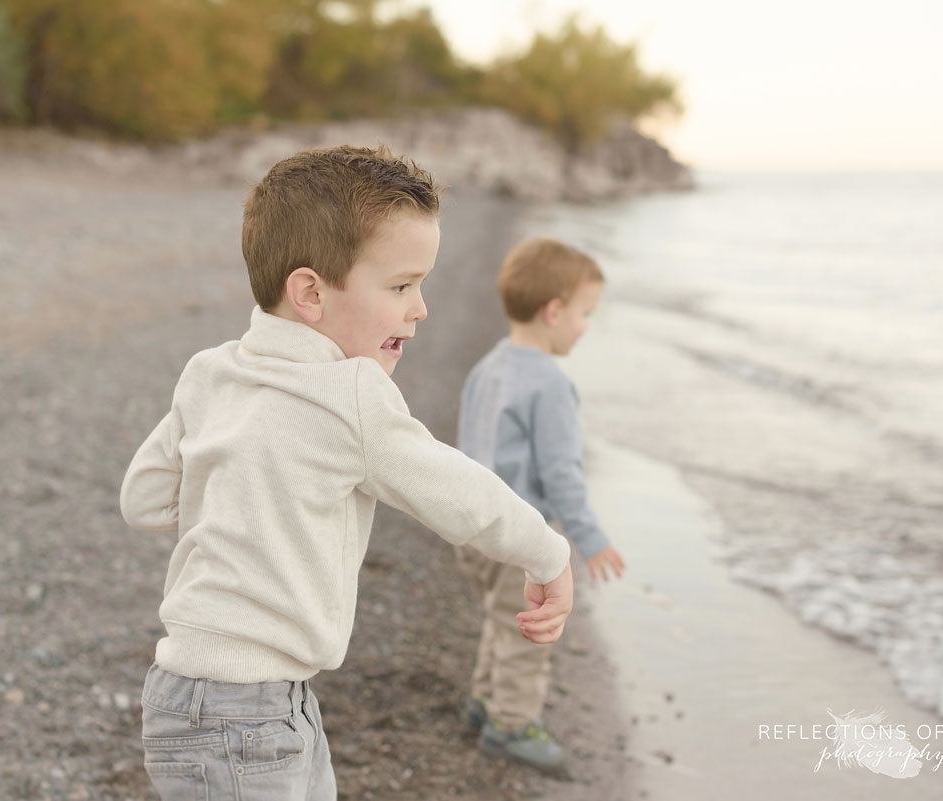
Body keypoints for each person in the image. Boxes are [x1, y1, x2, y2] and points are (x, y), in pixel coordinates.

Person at [119, 145, 575, 801]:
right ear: (310, 291)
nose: (420, 308)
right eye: (400, 286)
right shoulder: (351, 394)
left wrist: (239, 509)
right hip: (250, 714)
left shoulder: (210, 371)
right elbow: (455, 492)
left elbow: (143, 497)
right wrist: (546, 552)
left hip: (200, 699)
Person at [454, 236, 627, 772]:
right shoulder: (550, 382)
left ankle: (484, 702)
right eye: (584, 313)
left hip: (474, 529)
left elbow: (462, 450)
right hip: (519, 538)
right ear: (553, 311)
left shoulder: (488, 366)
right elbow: (560, 474)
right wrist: (589, 537)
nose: (585, 325)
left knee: (499, 620)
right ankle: (510, 725)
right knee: (526, 632)